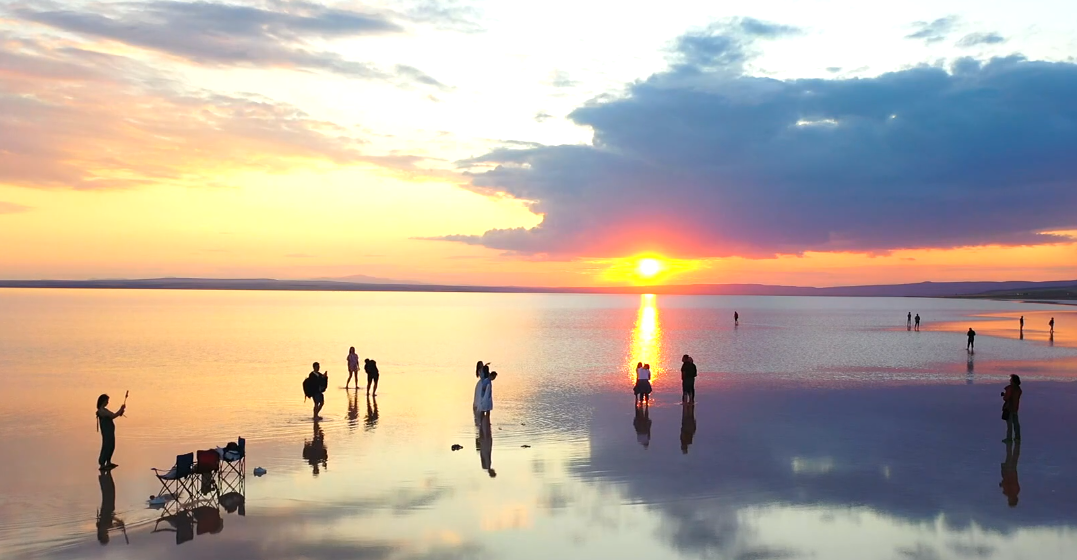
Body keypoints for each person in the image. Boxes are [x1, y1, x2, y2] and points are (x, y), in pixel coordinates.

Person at [96, 394, 125, 471]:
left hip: (110, 431)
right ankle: (102, 463)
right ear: (103, 401)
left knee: (112, 445)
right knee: (106, 445)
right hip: (106, 431)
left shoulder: (105, 410)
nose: (107, 402)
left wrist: (121, 411)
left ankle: (108, 462)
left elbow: (114, 415)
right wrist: (120, 409)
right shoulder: (101, 411)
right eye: (107, 401)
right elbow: (113, 416)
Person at [1000, 439, 1021, 508]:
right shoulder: (1011, 492)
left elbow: (1008, 483)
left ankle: (1012, 444)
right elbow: (1008, 482)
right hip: (1009, 472)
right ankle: (1011, 444)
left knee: (1011, 456)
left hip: (1011, 472)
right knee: (1010, 456)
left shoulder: (1015, 491)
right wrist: (1002, 484)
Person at [1002, 374, 1022, 443]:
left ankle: (1009, 438)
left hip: (1009, 408)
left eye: (1011, 379)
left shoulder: (1010, 388)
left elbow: (1006, 398)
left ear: (1013, 381)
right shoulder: (1019, 389)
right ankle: (1017, 437)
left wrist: (1004, 395)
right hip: (1015, 408)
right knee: (1016, 423)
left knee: (1009, 424)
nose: (1010, 380)